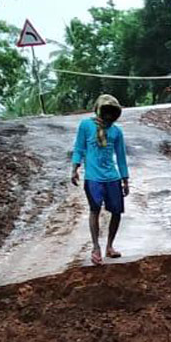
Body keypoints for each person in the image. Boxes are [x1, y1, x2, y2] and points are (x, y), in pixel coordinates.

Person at [71, 94, 129, 265]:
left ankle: (110, 246)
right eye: (106, 112)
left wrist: (125, 179)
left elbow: (121, 157)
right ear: (99, 110)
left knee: (117, 212)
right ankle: (96, 247)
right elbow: (79, 148)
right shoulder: (86, 126)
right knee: (94, 210)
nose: (109, 116)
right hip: (93, 177)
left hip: (112, 177)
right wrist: (75, 168)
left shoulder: (116, 131)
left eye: (112, 113)